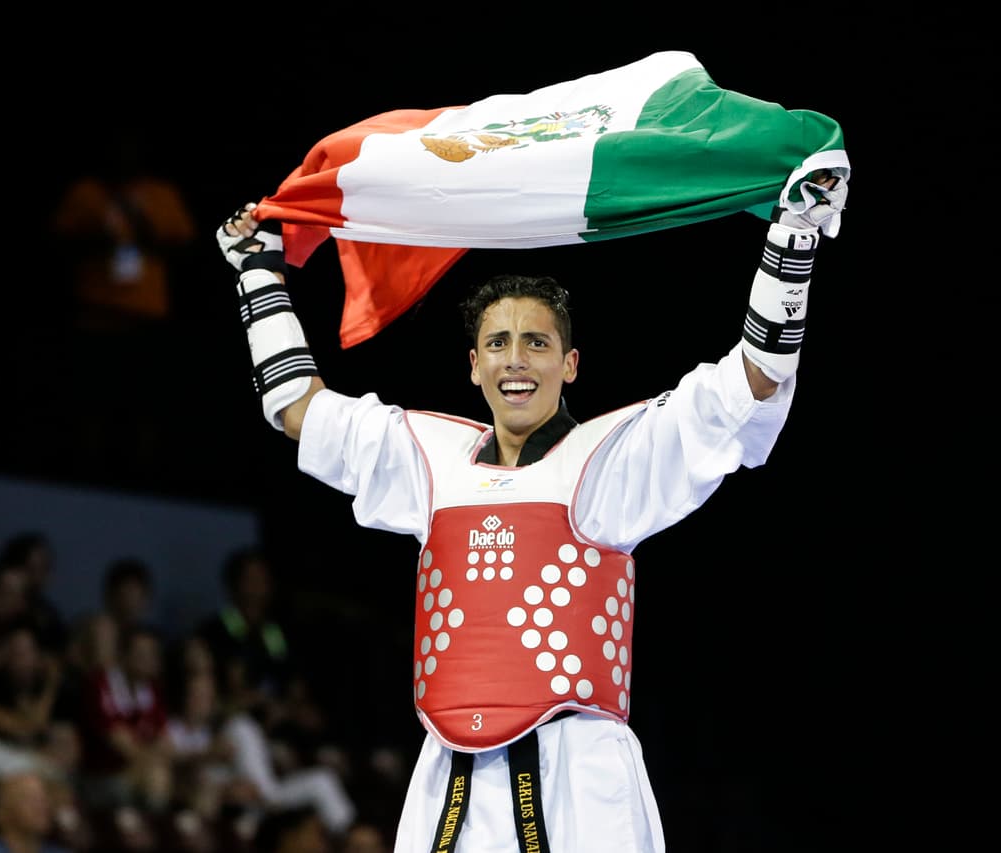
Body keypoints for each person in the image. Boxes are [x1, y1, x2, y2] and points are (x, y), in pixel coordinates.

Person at [215, 164, 847, 853]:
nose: (517, 360)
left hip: (579, 776)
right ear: (474, 366)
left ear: (570, 363)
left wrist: (794, 240)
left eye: (536, 342)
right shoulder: (430, 457)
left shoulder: (613, 456)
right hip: (450, 779)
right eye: (498, 343)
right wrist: (257, 272)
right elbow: (296, 407)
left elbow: (752, 380)